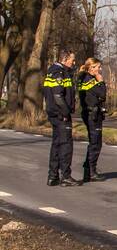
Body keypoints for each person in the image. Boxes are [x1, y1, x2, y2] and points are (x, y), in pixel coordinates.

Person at [43, 48, 78, 186]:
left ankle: (53, 176)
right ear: (64, 59)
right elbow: (58, 95)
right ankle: (65, 176)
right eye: (72, 60)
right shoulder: (59, 72)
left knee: (56, 144)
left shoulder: (51, 71)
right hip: (60, 114)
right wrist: (65, 112)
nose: (74, 62)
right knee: (65, 145)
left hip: (54, 113)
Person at [77, 57, 107, 182]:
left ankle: (88, 170)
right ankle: (91, 171)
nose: (100, 70)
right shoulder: (90, 80)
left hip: (88, 113)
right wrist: (101, 81)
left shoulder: (83, 78)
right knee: (96, 143)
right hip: (92, 114)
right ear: (91, 67)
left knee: (93, 142)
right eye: (98, 67)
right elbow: (102, 94)